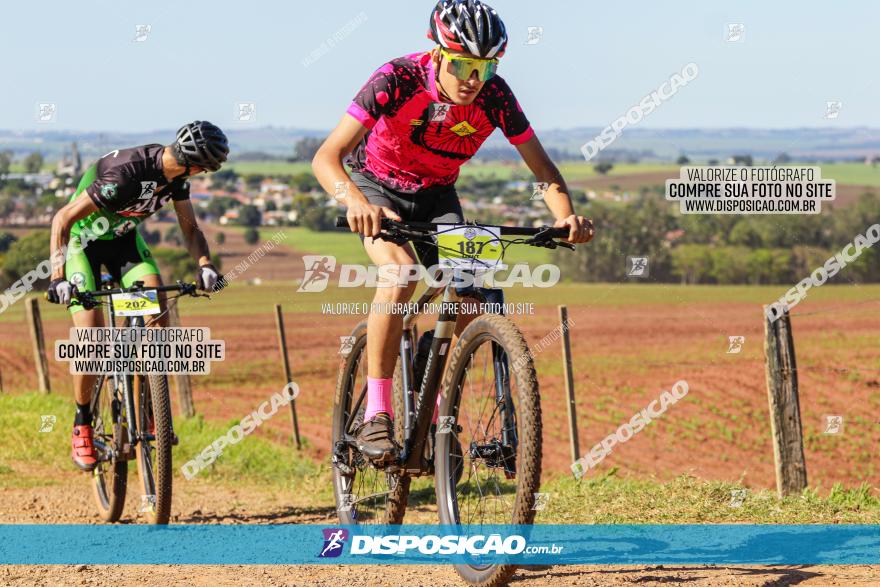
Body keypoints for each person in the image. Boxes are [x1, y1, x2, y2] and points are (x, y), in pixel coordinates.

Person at [312, 0, 594, 463]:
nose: (472, 78)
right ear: (438, 52)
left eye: (485, 67)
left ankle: (430, 379)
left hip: (437, 195)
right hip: (374, 186)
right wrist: (357, 204)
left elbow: (543, 170)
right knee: (399, 273)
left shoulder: (494, 95)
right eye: (463, 63)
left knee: (469, 299)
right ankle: (377, 414)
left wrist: (565, 216)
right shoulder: (396, 79)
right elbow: (326, 157)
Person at [46, 121, 229, 471]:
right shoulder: (125, 174)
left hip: (126, 245)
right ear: (195, 163)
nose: (204, 173)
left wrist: (205, 265)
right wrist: (57, 277)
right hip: (84, 246)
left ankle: (147, 402)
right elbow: (62, 218)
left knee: (156, 312)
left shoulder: (176, 178)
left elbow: (189, 228)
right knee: (92, 339)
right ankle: (82, 423)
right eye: (206, 168)